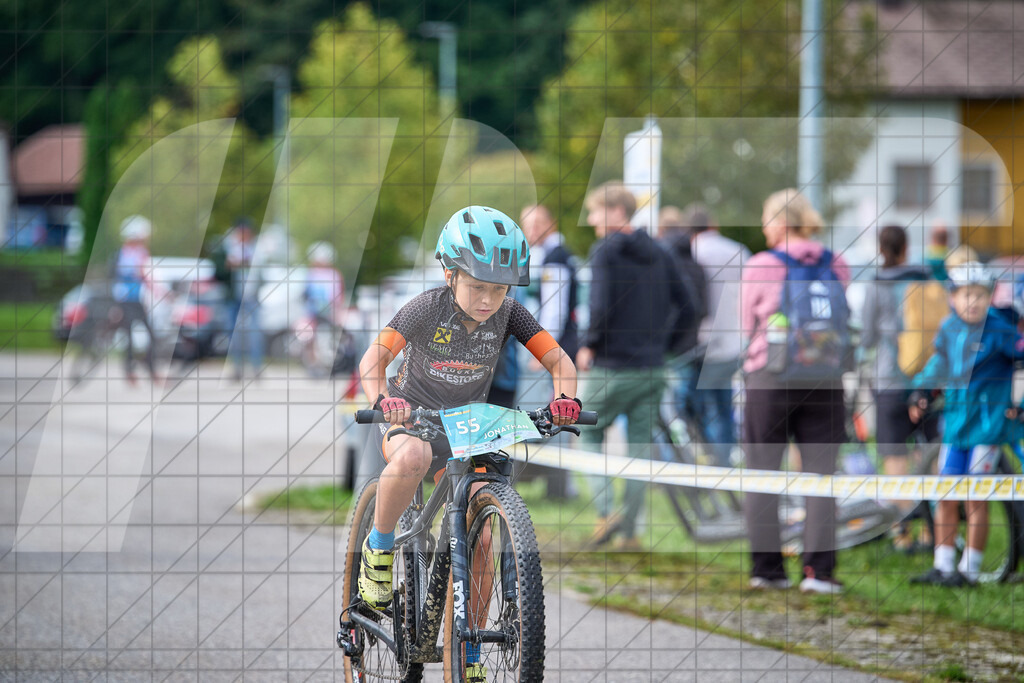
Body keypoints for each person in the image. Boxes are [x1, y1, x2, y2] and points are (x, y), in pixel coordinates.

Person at [356, 205, 580, 680]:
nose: (487, 299)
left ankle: (469, 653)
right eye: (477, 286)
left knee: (479, 537)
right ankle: (377, 551)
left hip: (463, 426)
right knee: (413, 454)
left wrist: (564, 401)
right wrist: (382, 398)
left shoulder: (511, 313)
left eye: (498, 289)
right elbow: (372, 360)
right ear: (449, 273)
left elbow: (561, 363)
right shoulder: (426, 307)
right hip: (410, 414)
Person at [740, 188, 850, 595]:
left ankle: (768, 571)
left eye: (768, 219)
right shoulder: (835, 263)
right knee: (822, 475)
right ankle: (819, 573)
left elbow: (747, 324)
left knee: (763, 471)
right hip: (826, 379)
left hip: (771, 378)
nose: (765, 228)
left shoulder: (761, 264)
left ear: (780, 222)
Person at [576, 182, 693, 551]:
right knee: (639, 449)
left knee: (584, 431)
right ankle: (631, 534)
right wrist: (665, 346)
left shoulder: (605, 252)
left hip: (612, 366)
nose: (592, 219)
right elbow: (689, 305)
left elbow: (600, 305)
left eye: (595, 211)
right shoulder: (662, 251)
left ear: (616, 212)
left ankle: (608, 510)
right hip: (653, 369)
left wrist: (589, 344)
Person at [908, 261, 1024, 586]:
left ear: (989, 297)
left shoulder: (1000, 330)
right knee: (945, 494)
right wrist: (920, 390)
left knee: (976, 496)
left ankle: (969, 570)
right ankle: (943, 565)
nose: (972, 301)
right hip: (955, 426)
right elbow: (938, 363)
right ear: (953, 297)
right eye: (965, 295)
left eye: (979, 295)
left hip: (987, 429)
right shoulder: (949, 328)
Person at [859, 225, 941, 551]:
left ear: (881, 248)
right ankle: (932, 530)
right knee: (929, 454)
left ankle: (903, 531)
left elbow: (866, 337)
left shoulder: (876, 283)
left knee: (895, 457)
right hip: (927, 380)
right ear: (906, 246)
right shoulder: (925, 277)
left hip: (888, 381)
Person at [680, 203, 751, 466]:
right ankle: (723, 463)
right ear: (713, 226)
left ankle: (704, 460)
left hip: (699, 343)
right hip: (733, 342)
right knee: (723, 407)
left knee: (694, 406)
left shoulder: (690, 253)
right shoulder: (738, 251)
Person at [519, 203, 581, 498]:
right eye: (526, 224)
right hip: (557, 348)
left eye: (537, 223)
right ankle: (559, 486)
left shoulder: (555, 260)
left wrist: (542, 353)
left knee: (557, 417)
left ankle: (560, 487)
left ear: (551, 223)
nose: (531, 230)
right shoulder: (552, 255)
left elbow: (554, 311)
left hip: (555, 351)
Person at [111, 215, 158, 383]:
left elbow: (144, 276)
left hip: (136, 299)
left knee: (149, 335)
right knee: (129, 335)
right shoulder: (123, 254)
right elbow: (140, 274)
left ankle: (147, 368)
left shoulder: (140, 252)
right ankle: (133, 371)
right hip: (125, 300)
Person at [224, 218, 263, 381]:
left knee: (254, 333)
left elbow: (253, 263)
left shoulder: (256, 248)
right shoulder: (232, 246)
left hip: (251, 296)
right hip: (236, 297)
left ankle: (256, 367)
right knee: (234, 334)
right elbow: (227, 265)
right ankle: (237, 368)